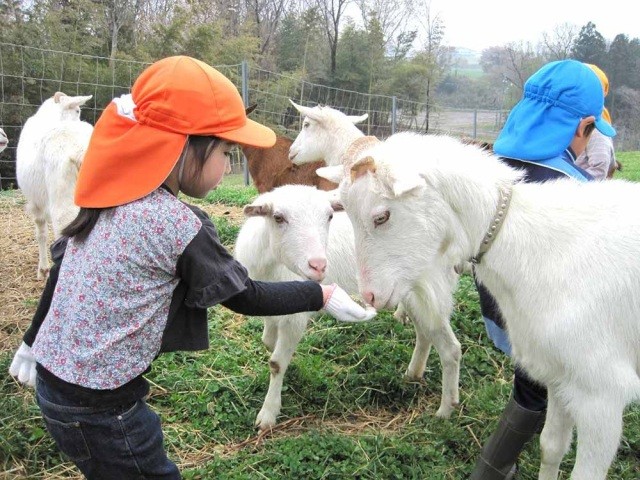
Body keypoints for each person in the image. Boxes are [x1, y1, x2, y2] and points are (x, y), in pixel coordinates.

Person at [8, 55, 376, 479]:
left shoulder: (107, 197)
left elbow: (61, 270)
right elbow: (246, 295)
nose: (228, 165)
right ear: (182, 146)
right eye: (223, 151)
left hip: (56, 391)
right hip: (105, 409)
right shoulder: (180, 225)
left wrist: (31, 340)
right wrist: (321, 294)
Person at [469, 59, 616, 480]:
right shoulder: (571, 192)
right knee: (539, 383)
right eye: (592, 134)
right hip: (548, 321)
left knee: (529, 375)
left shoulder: (492, 166)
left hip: (498, 310)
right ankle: (494, 466)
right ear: (583, 126)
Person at [575, 64, 618, 180]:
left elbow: (599, 169)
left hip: (581, 192)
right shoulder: (569, 119)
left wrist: (567, 184)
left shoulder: (596, 127)